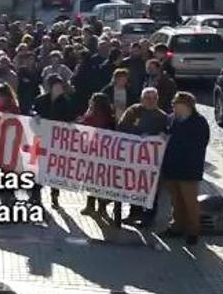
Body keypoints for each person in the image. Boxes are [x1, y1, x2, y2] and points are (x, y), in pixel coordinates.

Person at [161, 92, 210, 245]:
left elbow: (200, 144)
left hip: (189, 168)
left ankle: (193, 230)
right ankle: (177, 226)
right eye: (173, 104)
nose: (174, 107)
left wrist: (176, 141)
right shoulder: (171, 119)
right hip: (172, 165)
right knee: (175, 200)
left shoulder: (199, 122)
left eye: (177, 104)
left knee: (190, 201)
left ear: (187, 105)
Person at [117, 87, 169, 226]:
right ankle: (134, 213)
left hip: (152, 160)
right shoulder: (133, 111)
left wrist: (156, 137)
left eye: (153, 98)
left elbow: (165, 134)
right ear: (142, 99)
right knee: (135, 185)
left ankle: (148, 217)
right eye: (147, 98)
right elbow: (122, 127)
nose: (151, 101)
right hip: (133, 156)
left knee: (151, 189)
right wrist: (138, 136)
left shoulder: (162, 116)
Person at [31, 75, 77, 207]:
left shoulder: (66, 102)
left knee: (54, 170)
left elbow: (70, 120)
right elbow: (33, 112)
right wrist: (35, 115)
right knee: (38, 168)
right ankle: (36, 195)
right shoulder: (40, 100)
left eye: (60, 86)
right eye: (56, 86)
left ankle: (54, 195)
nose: (59, 89)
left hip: (56, 141)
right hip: (41, 138)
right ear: (50, 88)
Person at [77, 93, 116, 217]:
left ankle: (91, 205)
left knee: (91, 180)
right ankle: (101, 207)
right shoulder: (111, 117)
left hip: (92, 153)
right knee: (101, 182)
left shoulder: (91, 117)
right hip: (104, 155)